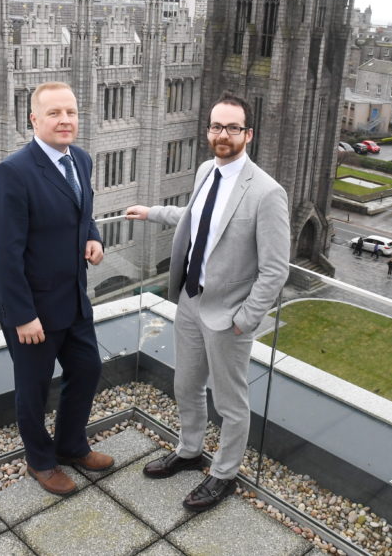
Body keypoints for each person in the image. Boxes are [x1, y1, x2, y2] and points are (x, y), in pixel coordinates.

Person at [125, 92, 290, 513]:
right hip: (190, 302)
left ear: (248, 134)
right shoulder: (205, 171)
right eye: (217, 126)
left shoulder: (267, 193)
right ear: (208, 130)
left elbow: (275, 270)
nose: (223, 134)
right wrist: (152, 212)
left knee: (230, 402)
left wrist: (245, 320)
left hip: (229, 315)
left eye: (233, 127)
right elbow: (198, 219)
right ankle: (189, 451)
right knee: (186, 385)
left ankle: (224, 474)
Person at [0, 81, 113, 496]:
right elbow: (4, 253)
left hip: (73, 298)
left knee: (88, 368)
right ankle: (40, 460)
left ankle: (72, 445)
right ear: (34, 120)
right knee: (33, 389)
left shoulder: (82, 160)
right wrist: (22, 315)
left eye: (70, 112)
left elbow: (83, 211)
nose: (65, 120)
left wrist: (92, 235)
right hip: (32, 310)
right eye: (54, 113)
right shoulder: (12, 172)